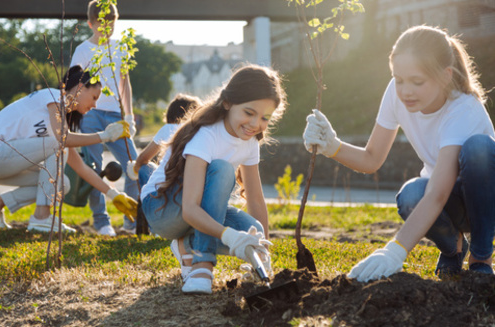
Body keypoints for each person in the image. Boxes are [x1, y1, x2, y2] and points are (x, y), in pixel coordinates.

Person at [303, 25, 495, 282]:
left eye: (417, 81)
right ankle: (453, 250)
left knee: (479, 149)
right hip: (448, 200)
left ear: (446, 75)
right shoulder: (396, 93)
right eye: (399, 79)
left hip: (485, 200)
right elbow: (371, 159)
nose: (405, 91)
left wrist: (395, 249)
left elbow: (438, 194)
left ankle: (481, 256)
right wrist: (332, 146)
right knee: (411, 195)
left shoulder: (463, 109)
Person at [140, 64, 286, 294]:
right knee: (222, 169)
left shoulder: (250, 141)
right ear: (227, 103)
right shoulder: (206, 135)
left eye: (264, 117)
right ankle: (202, 265)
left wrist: (262, 253)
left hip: (195, 209)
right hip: (161, 208)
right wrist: (229, 236)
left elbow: (256, 201)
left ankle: (186, 244)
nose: (256, 124)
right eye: (249, 113)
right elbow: (190, 209)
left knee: (253, 230)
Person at [0, 66, 138, 233]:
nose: (94, 105)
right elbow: (63, 139)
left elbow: (81, 168)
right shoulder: (53, 96)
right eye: (94, 97)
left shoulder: (59, 124)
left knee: (62, 183)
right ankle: (41, 218)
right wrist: (105, 136)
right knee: (59, 145)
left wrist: (113, 194)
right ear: (80, 88)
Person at [70, 0, 139, 236]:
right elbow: (74, 85)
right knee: (94, 167)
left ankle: (131, 220)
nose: (106, 27)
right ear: (90, 23)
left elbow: (125, 83)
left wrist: (128, 116)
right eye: (101, 23)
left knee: (133, 165)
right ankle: (102, 221)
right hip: (90, 115)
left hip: (116, 115)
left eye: (111, 22)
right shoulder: (82, 51)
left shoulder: (121, 47)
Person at [126, 93, 203, 188]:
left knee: (144, 168)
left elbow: (143, 158)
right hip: (192, 186)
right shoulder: (200, 131)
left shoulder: (169, 128)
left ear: (171, 114)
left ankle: (145, 198)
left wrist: (134, 169)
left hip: (167, 187)